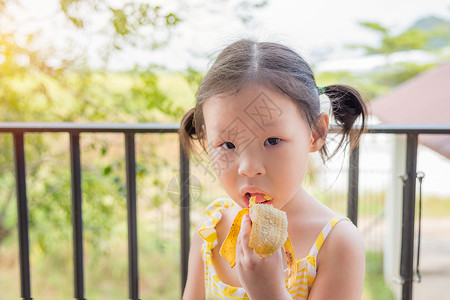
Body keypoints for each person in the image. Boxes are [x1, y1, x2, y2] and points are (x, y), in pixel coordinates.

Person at [179, 39, 366, 300]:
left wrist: (269, 292)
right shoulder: (211, 232)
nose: (249, 168)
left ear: (316, 133)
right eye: (228, 144)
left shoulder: (336, 243)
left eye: (272, 141)